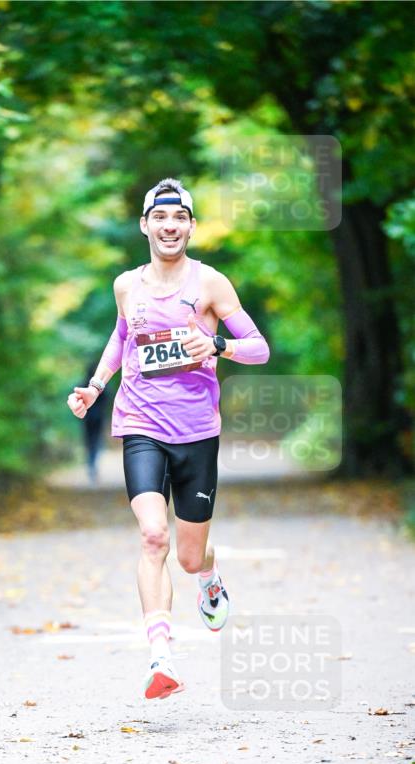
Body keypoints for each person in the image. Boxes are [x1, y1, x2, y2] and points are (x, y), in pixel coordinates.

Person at [67, 178, 270, 700]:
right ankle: (161, 657)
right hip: (141, 425)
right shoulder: (126, 286)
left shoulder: (211, 285)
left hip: (198, 431)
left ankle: (208, 572)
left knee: (186, 554)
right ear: (145, 225)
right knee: (153, 535)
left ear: (191, 226)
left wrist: (217, 344)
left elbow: (258, 348)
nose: (169, 226)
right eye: (160, 218)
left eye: (179, 218)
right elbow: (120, 338)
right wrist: (94, 387)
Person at [82, 359, 108, 483]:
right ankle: (92, 464)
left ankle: (91, 464)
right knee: (96, 441)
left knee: (89, 441)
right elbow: (107, 399)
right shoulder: (101, 386)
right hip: (98, 418)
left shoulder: (83, 383)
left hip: (86, 418)